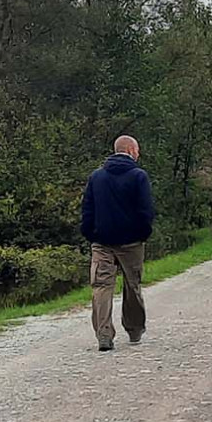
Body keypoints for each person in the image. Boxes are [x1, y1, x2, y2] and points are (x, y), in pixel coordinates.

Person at [80, 135, 156, 351]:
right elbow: (146, 210)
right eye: (138, 150)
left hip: (102, 241)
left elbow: (88, 209)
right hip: (131, 242)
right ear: (131, 150)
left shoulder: (97, 177)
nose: (138, 154)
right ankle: (134, 329)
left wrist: (90, 233)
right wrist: (143, 233)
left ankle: (104, 335)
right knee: (132, 285)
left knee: (101, 286)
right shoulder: (138, 176)